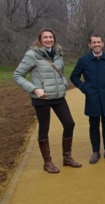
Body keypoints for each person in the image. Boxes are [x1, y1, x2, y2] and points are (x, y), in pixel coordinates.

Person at [14, 28, 82, 173]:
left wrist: (63, 84)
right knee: (44, 129)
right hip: (42, 97)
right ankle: (48, 162)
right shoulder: (32, 54)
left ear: (54, 39)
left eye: (51, 37)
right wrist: (34, 89)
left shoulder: (58, 53)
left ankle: (67, 157)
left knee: (69, 123)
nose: (48, 39)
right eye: (45, 37)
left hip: (58, 96)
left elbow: (62, 72)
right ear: (40, 39)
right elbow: (18, 75)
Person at [70, 34, 105, 164]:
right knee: (93, 125)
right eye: (94, 42)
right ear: (90, 45)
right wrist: (84, 88)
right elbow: (74, 76)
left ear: (103, 44)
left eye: (99, 42)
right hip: (92, 97)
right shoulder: (83, 60)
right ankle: (95, 151)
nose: (97, 44)